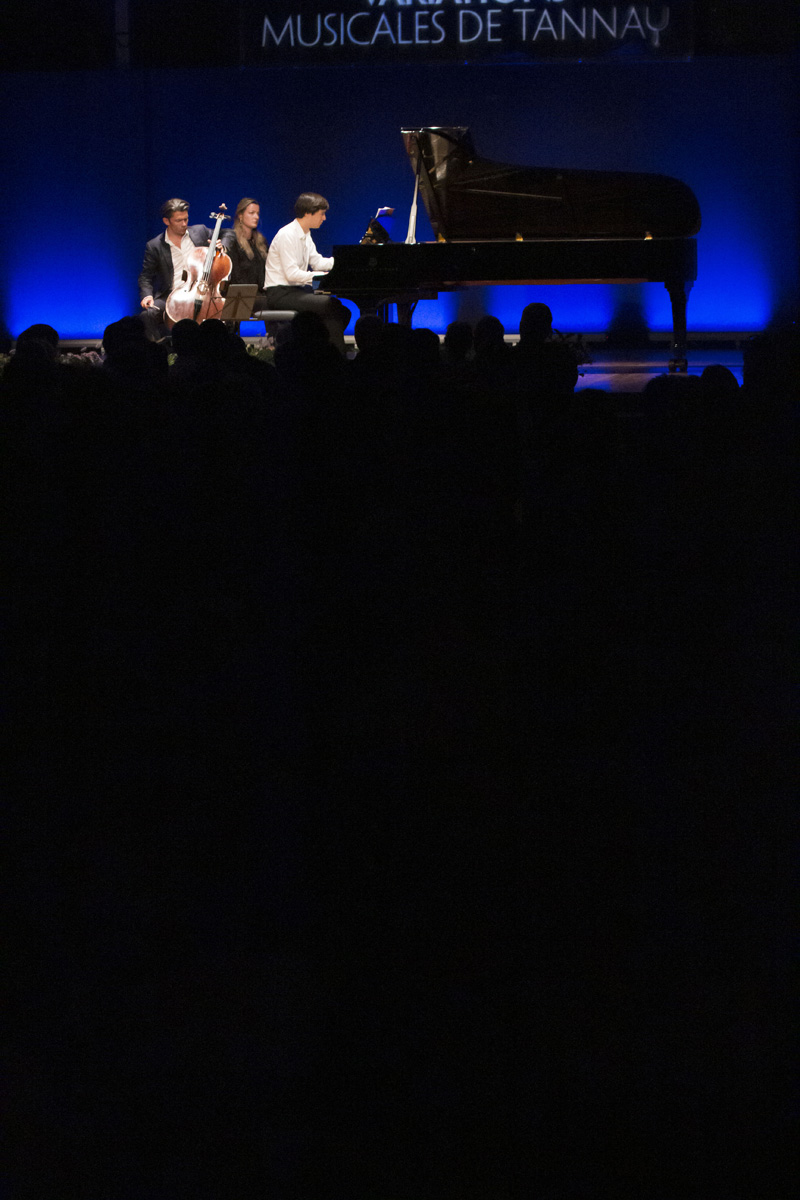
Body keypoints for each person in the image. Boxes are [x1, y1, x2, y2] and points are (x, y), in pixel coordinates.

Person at [264, 193, 350, 354]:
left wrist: (342, 262)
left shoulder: (305, 234)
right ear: (308, 213)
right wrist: (322, 276)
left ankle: (322, 351)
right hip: (279, 294)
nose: (324, 218)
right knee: (329, 304)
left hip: (295, 291)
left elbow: (317, 261)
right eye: (322, 214)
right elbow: (292, 274)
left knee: (343, 312)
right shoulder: (287, 234)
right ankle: (336, 355)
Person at [138, 199, 213, 341]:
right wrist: (147, 295)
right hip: (170, 296)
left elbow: (227, 234)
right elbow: (146, 277)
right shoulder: (155, 245)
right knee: (147, 316)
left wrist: (222, 245)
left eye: (186, 219)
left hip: (200, 292)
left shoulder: (200, 232)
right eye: (179, 221)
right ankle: (160, 350)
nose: (184, 224)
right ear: (166, 221)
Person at [222, 197, 269, 297]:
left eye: (257, 213)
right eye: (252, 213)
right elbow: (236, 277)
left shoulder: (262, 242)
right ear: (241, 216)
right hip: (240, 295)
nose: (256, 217)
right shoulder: (233, 241)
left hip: (261, 293)